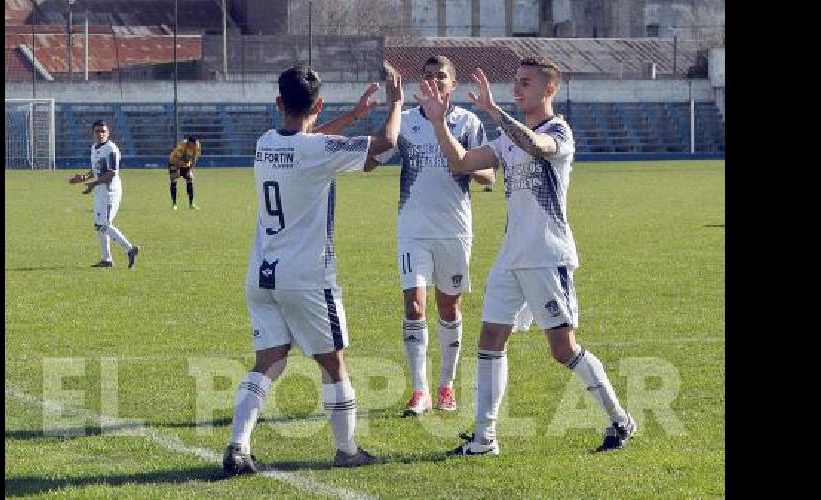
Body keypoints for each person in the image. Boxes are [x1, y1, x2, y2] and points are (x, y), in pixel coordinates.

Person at [415, 58, 636, 455]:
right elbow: (463, 163)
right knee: (490, 339)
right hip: (510, 255)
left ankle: (619, 420)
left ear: (550, 89)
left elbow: (536, 145)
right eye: (515, 82)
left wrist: (494, 111)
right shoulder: (505, 140)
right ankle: (485, 438)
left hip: (546, 255)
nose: (518, 89)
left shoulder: (559, 131)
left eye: (527, 83)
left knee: (562, 349)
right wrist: (437, 123)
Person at [222, 65, 403, 474]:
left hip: (262, 272)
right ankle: (347, 450)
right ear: (318, 105)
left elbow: (309, 140)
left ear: (278, 104)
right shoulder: (316, 152)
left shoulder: (266, 143)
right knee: (333, 362)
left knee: (268, 360)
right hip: (306, 278)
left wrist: (354, 117)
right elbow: (386, 142)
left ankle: (238, 445)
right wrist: (396, 103)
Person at [373, 55, 495, 417]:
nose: (434, 82)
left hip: (455, 229)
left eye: (441, 77)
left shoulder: (467, 122)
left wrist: (466, 164)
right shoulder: (406, 123)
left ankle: (446, 385)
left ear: (453, 84)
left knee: (449, 307)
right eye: (428, 76)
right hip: (412, 230)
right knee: (414, 306)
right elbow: (378, 155)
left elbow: (488, 176)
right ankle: (420, 391)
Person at [68, 120, 140, 268]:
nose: (100, 134)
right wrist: (83, 178)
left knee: (102, 224)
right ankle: (107, 259)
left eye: (103, 131)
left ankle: (129, 249)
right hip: (101, 189)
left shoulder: (111, 149)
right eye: (97, 131)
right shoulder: (95, 147)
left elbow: (111, 173)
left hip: (110, 191)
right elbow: (96, 169)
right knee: (99, 224)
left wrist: (93, 184)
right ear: (92, 133)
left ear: (108, 133)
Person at [168, 135, 202, 210]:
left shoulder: (197, 145)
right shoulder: (182, 146)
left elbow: (194, 159)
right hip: (174, 162)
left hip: (185, 163)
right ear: (188, 142)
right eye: (192, 144)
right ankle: (174, 204)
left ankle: (191, 204)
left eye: (195, 144)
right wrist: (181, 168)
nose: (194, 145)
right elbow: (177, 160)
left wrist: (190, 168)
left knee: (190, 178)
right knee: (174, 178)